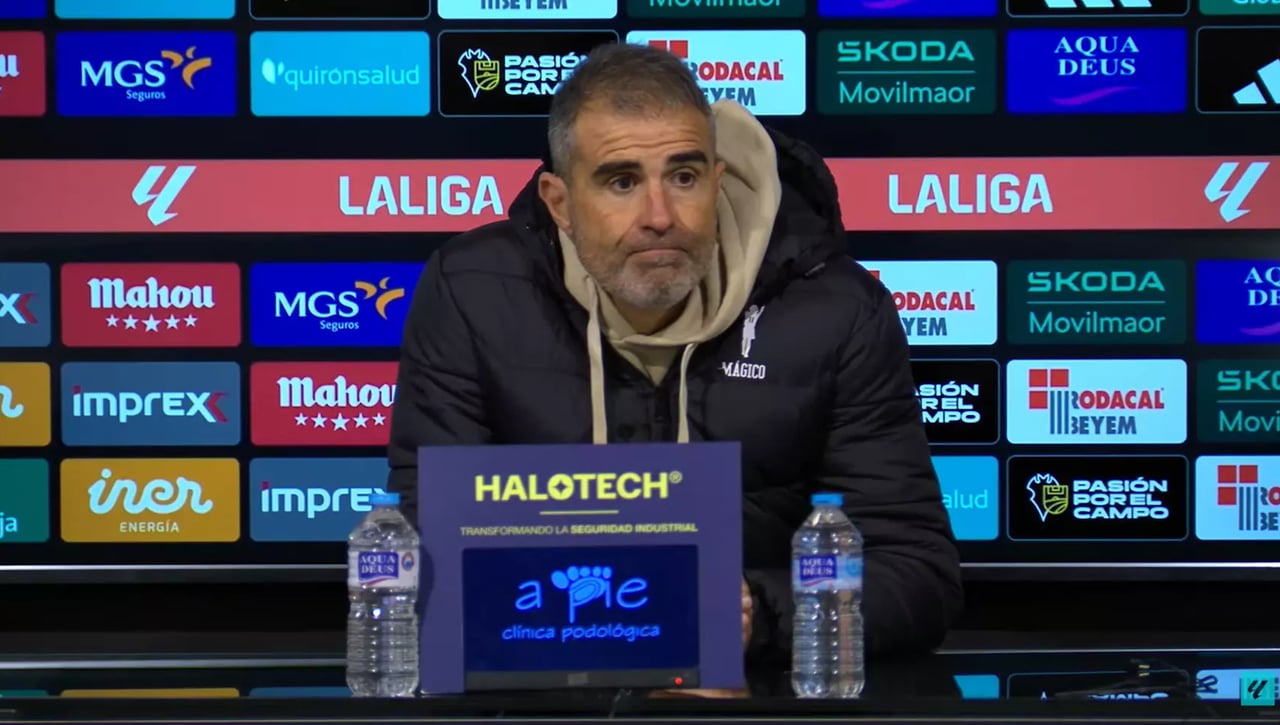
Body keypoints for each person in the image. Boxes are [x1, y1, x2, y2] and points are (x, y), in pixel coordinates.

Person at [388, 41, 963, 661]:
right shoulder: (472, 292)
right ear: (560, 203)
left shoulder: (837, 309)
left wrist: (755, 615)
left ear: (717, 180)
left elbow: (914, 572)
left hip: (758, 685)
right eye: (622, 181)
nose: (659, 216)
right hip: (540, 680)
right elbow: (424, 552)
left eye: (684, 177)